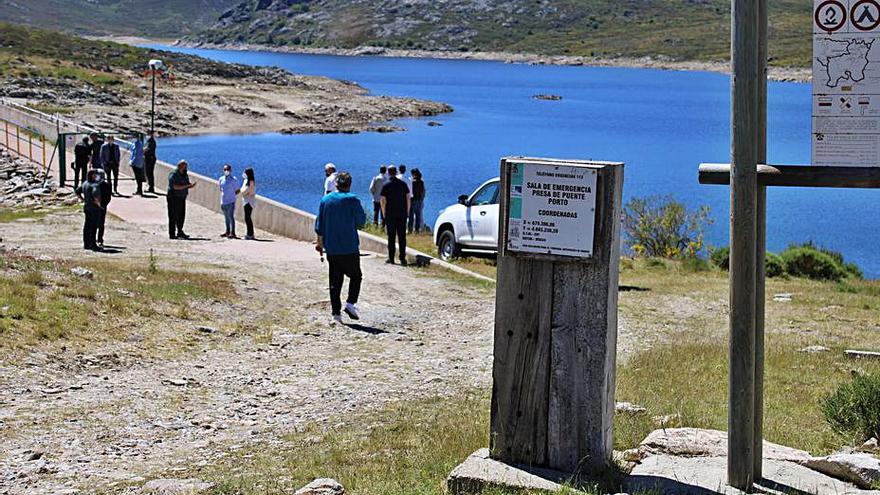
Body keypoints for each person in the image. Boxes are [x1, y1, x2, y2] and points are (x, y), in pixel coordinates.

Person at [314, 172, 366, 323]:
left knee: (335, 281)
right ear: (349, 184)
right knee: (356, 276)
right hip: (349, 246)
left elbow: (319, 225)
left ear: (336, 184)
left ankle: (336, 313)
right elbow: (361, 221)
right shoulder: (353, 200)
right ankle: (350, 303)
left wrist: (319, 243)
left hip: (332, 247)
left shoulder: (325, 200)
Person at [380, 165, 410, 266]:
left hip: (390, 214)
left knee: (391, 237)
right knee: (402, 236)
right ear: (396, 172)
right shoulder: (403, 184)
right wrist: (407, 211)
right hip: (402, 213)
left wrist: (384, 213)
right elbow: (408, 198)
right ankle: (402, 258)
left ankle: (391, 258)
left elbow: (383, 201)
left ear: (388, 173)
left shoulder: (386, 185)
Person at [167, 160, 196, 239]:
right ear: (180, 166)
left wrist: (190, 185)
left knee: (181, 215)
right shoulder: (174, 175)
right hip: (173, 197)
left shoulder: (184, 174)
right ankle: (172, 233)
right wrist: (187, 186)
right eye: (184, 166)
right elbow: (175, 187)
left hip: (182, 197)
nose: (186, 168)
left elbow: (186, 183)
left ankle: (180, 231)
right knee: (173, 215)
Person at [75, 169, 102, 251]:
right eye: (95, 174)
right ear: (92, 175)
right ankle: (93, 244)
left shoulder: (85, 184)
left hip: (87, 207)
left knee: (87, 226)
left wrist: (82, 199)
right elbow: (96, 196)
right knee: (94, 226)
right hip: (94, 208)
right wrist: (99, 205)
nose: (97, 176)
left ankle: (86, 243)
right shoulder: (94, 185)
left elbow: (77, 191)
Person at [218, 164, 241, 239]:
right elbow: (221, 189)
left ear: (230, 170)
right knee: (226, 218)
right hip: (223, 201)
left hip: (231, 202)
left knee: (231, 217)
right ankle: (227, 231)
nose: (226, 171)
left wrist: (231, 195)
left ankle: (233, 232)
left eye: (227, 169)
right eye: (224, 169)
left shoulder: (233, 180)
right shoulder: (221, 179)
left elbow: (237, 190)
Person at [95, 169, 112, 248]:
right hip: (94, 207)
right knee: (93, 224)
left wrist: (103, 205)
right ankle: (93, 238)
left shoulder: (106, 185)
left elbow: (108, 197)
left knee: (101, 224)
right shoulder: (93, 184)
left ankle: (100, 239)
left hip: (102, 207)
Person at [409, 168, 426, 233]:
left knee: (411, 216)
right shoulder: (421, 181)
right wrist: (422, 199)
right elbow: (422, 192)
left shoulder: (412, 182)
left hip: (413, 200)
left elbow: (410, 191)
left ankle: (410, 230)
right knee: (418, 216)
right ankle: (417, 230)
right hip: (419, 200)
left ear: (413, 174)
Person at [242, 167, 257, 240]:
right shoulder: (246, 181)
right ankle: (249, 233)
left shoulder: (251, 182)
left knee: (248, 218)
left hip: (249, 202)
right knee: (247, 218)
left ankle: (250, 234)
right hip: (246, 201)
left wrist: (243, 192)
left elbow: (246, 191)